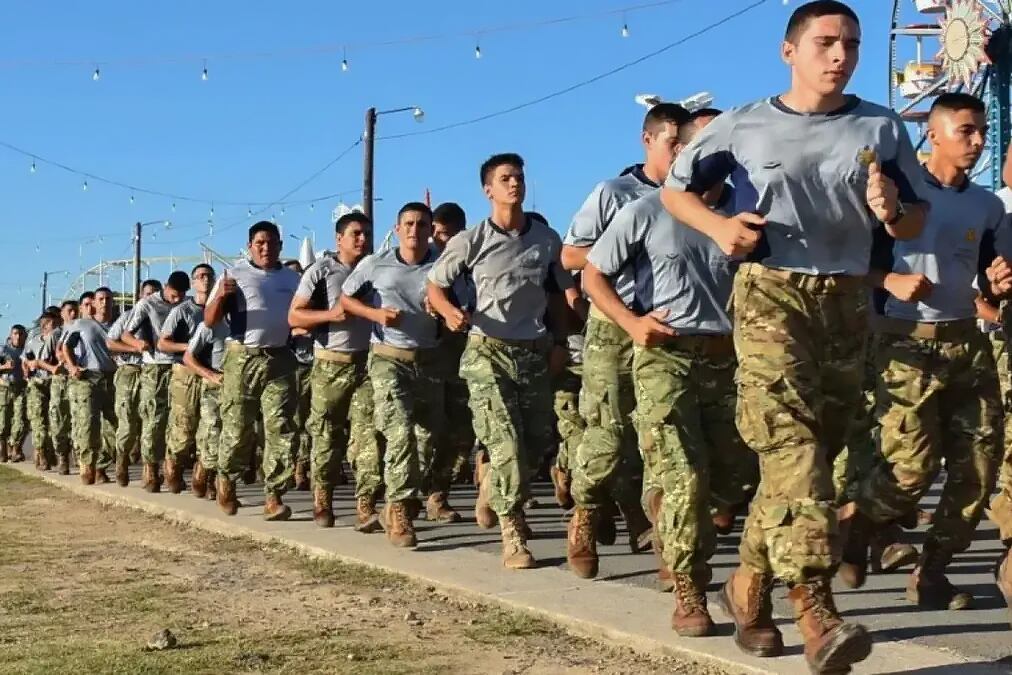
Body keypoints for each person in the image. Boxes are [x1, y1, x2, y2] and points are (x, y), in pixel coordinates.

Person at [660, 2, 929, 671]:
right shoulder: (744, 124)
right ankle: (817, 610)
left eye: (853, 45)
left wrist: (893, 213)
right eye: (826, 42)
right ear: (790, 52)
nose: (840, 56)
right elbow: (674, 189)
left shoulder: (881, 127)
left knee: (807, 461)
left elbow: (915, 220)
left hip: (845, 305)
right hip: (770, 294)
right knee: (795, 449)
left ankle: (747, 588)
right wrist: (721, 229)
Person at [841, 94, 1011, 611]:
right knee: (911, 468)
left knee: (978, 470)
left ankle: (932, 572)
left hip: (967, 344)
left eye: (981, 131)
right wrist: (888, 278)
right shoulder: (891, 195)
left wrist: (1000, 282)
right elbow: (848, 266)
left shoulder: (988, 206)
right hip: (902, 344)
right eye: (966, 130)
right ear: (933, 135)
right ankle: (856, 524)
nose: (978, 141)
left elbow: (993, 272)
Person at [428, 153, 574, 569]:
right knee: (507, 442)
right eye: (506, 178)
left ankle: (491, 478)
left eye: (520, 178)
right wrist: (450, 312)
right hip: (486, 351)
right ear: (488, 189)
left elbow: (559, 295)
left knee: (533, 445)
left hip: (532, 352)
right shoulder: (471, 240)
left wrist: (562, 340)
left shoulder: (546, 239)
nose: (515, 184)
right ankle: (513, 534)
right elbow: (435, 287)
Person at [560, 103, 691, 554]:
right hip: (614, 323)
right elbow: (571, 256)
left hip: (668, 327)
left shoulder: (693, 196)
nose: (680, 151)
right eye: (672, 142)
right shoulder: (615, 193)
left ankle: (667, 547)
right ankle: (586, 508)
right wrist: (623, 245)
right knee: (609, 436)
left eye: (685, 143)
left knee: (662, 434)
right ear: (648, 141)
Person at [341, 202, 443, 548]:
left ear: (431, 229)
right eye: (409, 224)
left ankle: (400, 502)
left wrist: (443, 309)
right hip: (387, 358)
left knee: (426, 441)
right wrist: (375, 314)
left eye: (422, 224)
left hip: (428, 360)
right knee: (399, 432)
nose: (415, 230)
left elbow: (464, 301)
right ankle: (398, 509)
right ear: (398, 229)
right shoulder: (376, 263)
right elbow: (345, 301)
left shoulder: (443, 262)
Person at [204, 221, 301, 521]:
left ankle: (274, 496)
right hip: (243, 358)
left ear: (281, 246)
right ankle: (226, 479)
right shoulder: (234, 275)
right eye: (259, 242)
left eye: (272, 242)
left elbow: (301, 312)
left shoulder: (292, 278)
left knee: (281, 428)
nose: (266, 248)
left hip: (280, 357)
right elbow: (209, 321)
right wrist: (221, 295)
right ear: (249, 246)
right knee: (237, 427)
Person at [288, 212, 380, 530]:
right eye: (355, 233)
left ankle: (365, 505)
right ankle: (323, 499)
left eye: (367, 233)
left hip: (368, 364)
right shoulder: (321, 270)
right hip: (330, 364)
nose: (362, 239)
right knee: (327, 437)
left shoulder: (378, 268)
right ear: (338, 238)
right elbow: (294, 317)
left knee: (368, 435)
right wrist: (330, 315)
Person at [120, 272, 189, 491]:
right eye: (174, 295)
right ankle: (150, 468)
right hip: (155, 367)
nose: (177, 300)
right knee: (154, 418)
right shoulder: (147, 305)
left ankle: (172, 469)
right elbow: (125, 334)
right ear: (166, 287)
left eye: (182, 295)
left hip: (180, 366)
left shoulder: (186, 305)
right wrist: (137, 344)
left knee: (179, 420)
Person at [428, 201, 474, 522]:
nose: (439, 240)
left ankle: (437, 494)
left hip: (466, 351)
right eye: (437, 233)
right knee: (424, 430)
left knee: (460, 430)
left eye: (445, 234)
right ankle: (402, 495)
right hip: (429, 354)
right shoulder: (426, 261)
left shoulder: (473, 259)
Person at [158, 264, 215, 492]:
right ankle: (173, 466)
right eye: (200, 276)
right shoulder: (183, 310)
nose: (205, 280)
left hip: (212, 373)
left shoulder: (220, 308)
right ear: (193, 283)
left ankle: (205, 475)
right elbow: (163, 343)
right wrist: (190, 346)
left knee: (211, 427)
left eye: (209, 276)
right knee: (184, 428)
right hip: (186, 373)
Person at [61, 287, 118, 484]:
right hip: (88, 378)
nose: (105, 302)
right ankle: (87, 465)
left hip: (112, 377)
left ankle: (102, 465)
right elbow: (66, 346)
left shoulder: (118, 325)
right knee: (88, 425)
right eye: (101, 299)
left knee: (116, 425)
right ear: (93, 302)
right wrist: (72, 366)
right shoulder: (82, 325)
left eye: (109, 299)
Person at [106, 279, 161, 484]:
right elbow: (111, 342)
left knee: (151, 421)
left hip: (153, 372)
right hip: (129, 370)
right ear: (140, 296)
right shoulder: (128, 317)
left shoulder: (163, 317)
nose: (151, 297)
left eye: (156, 293)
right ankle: (122, 459)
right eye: (148, 293)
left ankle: (150, 469)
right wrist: (135, 347)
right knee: (127, 421)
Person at [183, 318, 229, 502]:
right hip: (213, 385)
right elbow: (188, 357)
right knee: (212, 431)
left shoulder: (250, 324)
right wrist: (210, 375)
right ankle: (204, 468)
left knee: (232, 436)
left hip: (238, 385)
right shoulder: (209, 325)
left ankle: (220, 483)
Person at [284, 259, 315, 491]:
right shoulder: (284, 304)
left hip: (316, 364)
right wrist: (292, 331)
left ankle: (307, 467)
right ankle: (296, 467)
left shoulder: (312, 299)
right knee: (295, 420)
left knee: (316, 420)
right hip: (291, 366)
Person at [42, 300, 79, 474]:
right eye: (70, 311)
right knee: (59, 422)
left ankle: (80, 456)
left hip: (78, 381)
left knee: (79, 420)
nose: (74, 314)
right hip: (60, 382)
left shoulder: (82, 329)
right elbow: (42, 360)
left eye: (76, 311)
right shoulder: (55, 334)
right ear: (62, 314)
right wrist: (54, 367)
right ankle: (62, 457)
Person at [23, 312, 58, 470]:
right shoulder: (32, 342)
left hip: (55, 382)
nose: (57, 326)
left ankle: (50, 453)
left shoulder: (60, 340)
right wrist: (27, 369)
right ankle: (41, 453)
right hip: (37, 382)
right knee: (38, 420)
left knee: (55, 420)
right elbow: (25, 360)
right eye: (53, 323)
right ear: (44, 326)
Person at [0, 324, 29, 463]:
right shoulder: (4, 350)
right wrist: (4, 367)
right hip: (5, 387)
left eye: (21, 334)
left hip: (21, 388)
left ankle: (16, 449)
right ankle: (3, 449)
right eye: (15, 334)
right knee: (3, 420)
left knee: (20, 419)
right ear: (11, 335)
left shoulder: (27, 350)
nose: (18, 337)